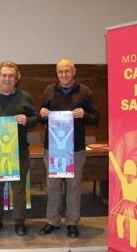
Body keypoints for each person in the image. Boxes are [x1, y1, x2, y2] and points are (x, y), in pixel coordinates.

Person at [38, 58, 100, 238]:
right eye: (60, 72)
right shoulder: (49, 90)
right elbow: (42, 117)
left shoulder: (85, 91)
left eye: (67, 71)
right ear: (56, 73)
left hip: (75, 148)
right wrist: (41, 114)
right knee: (53, 186)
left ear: (74, 71)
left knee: (73, 186)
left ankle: (72, 221)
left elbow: (96, 118)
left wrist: (85, 114)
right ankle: (53, 221)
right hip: (53, 147)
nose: (63, 75)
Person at [0, 61, 37, 236]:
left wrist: (27, 120)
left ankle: (19, 222)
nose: (7, 79)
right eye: (4, 75)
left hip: (19, 150)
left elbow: (35, 117)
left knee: (18, 188)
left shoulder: (25, 97)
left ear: (16, 78)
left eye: (11, 76)